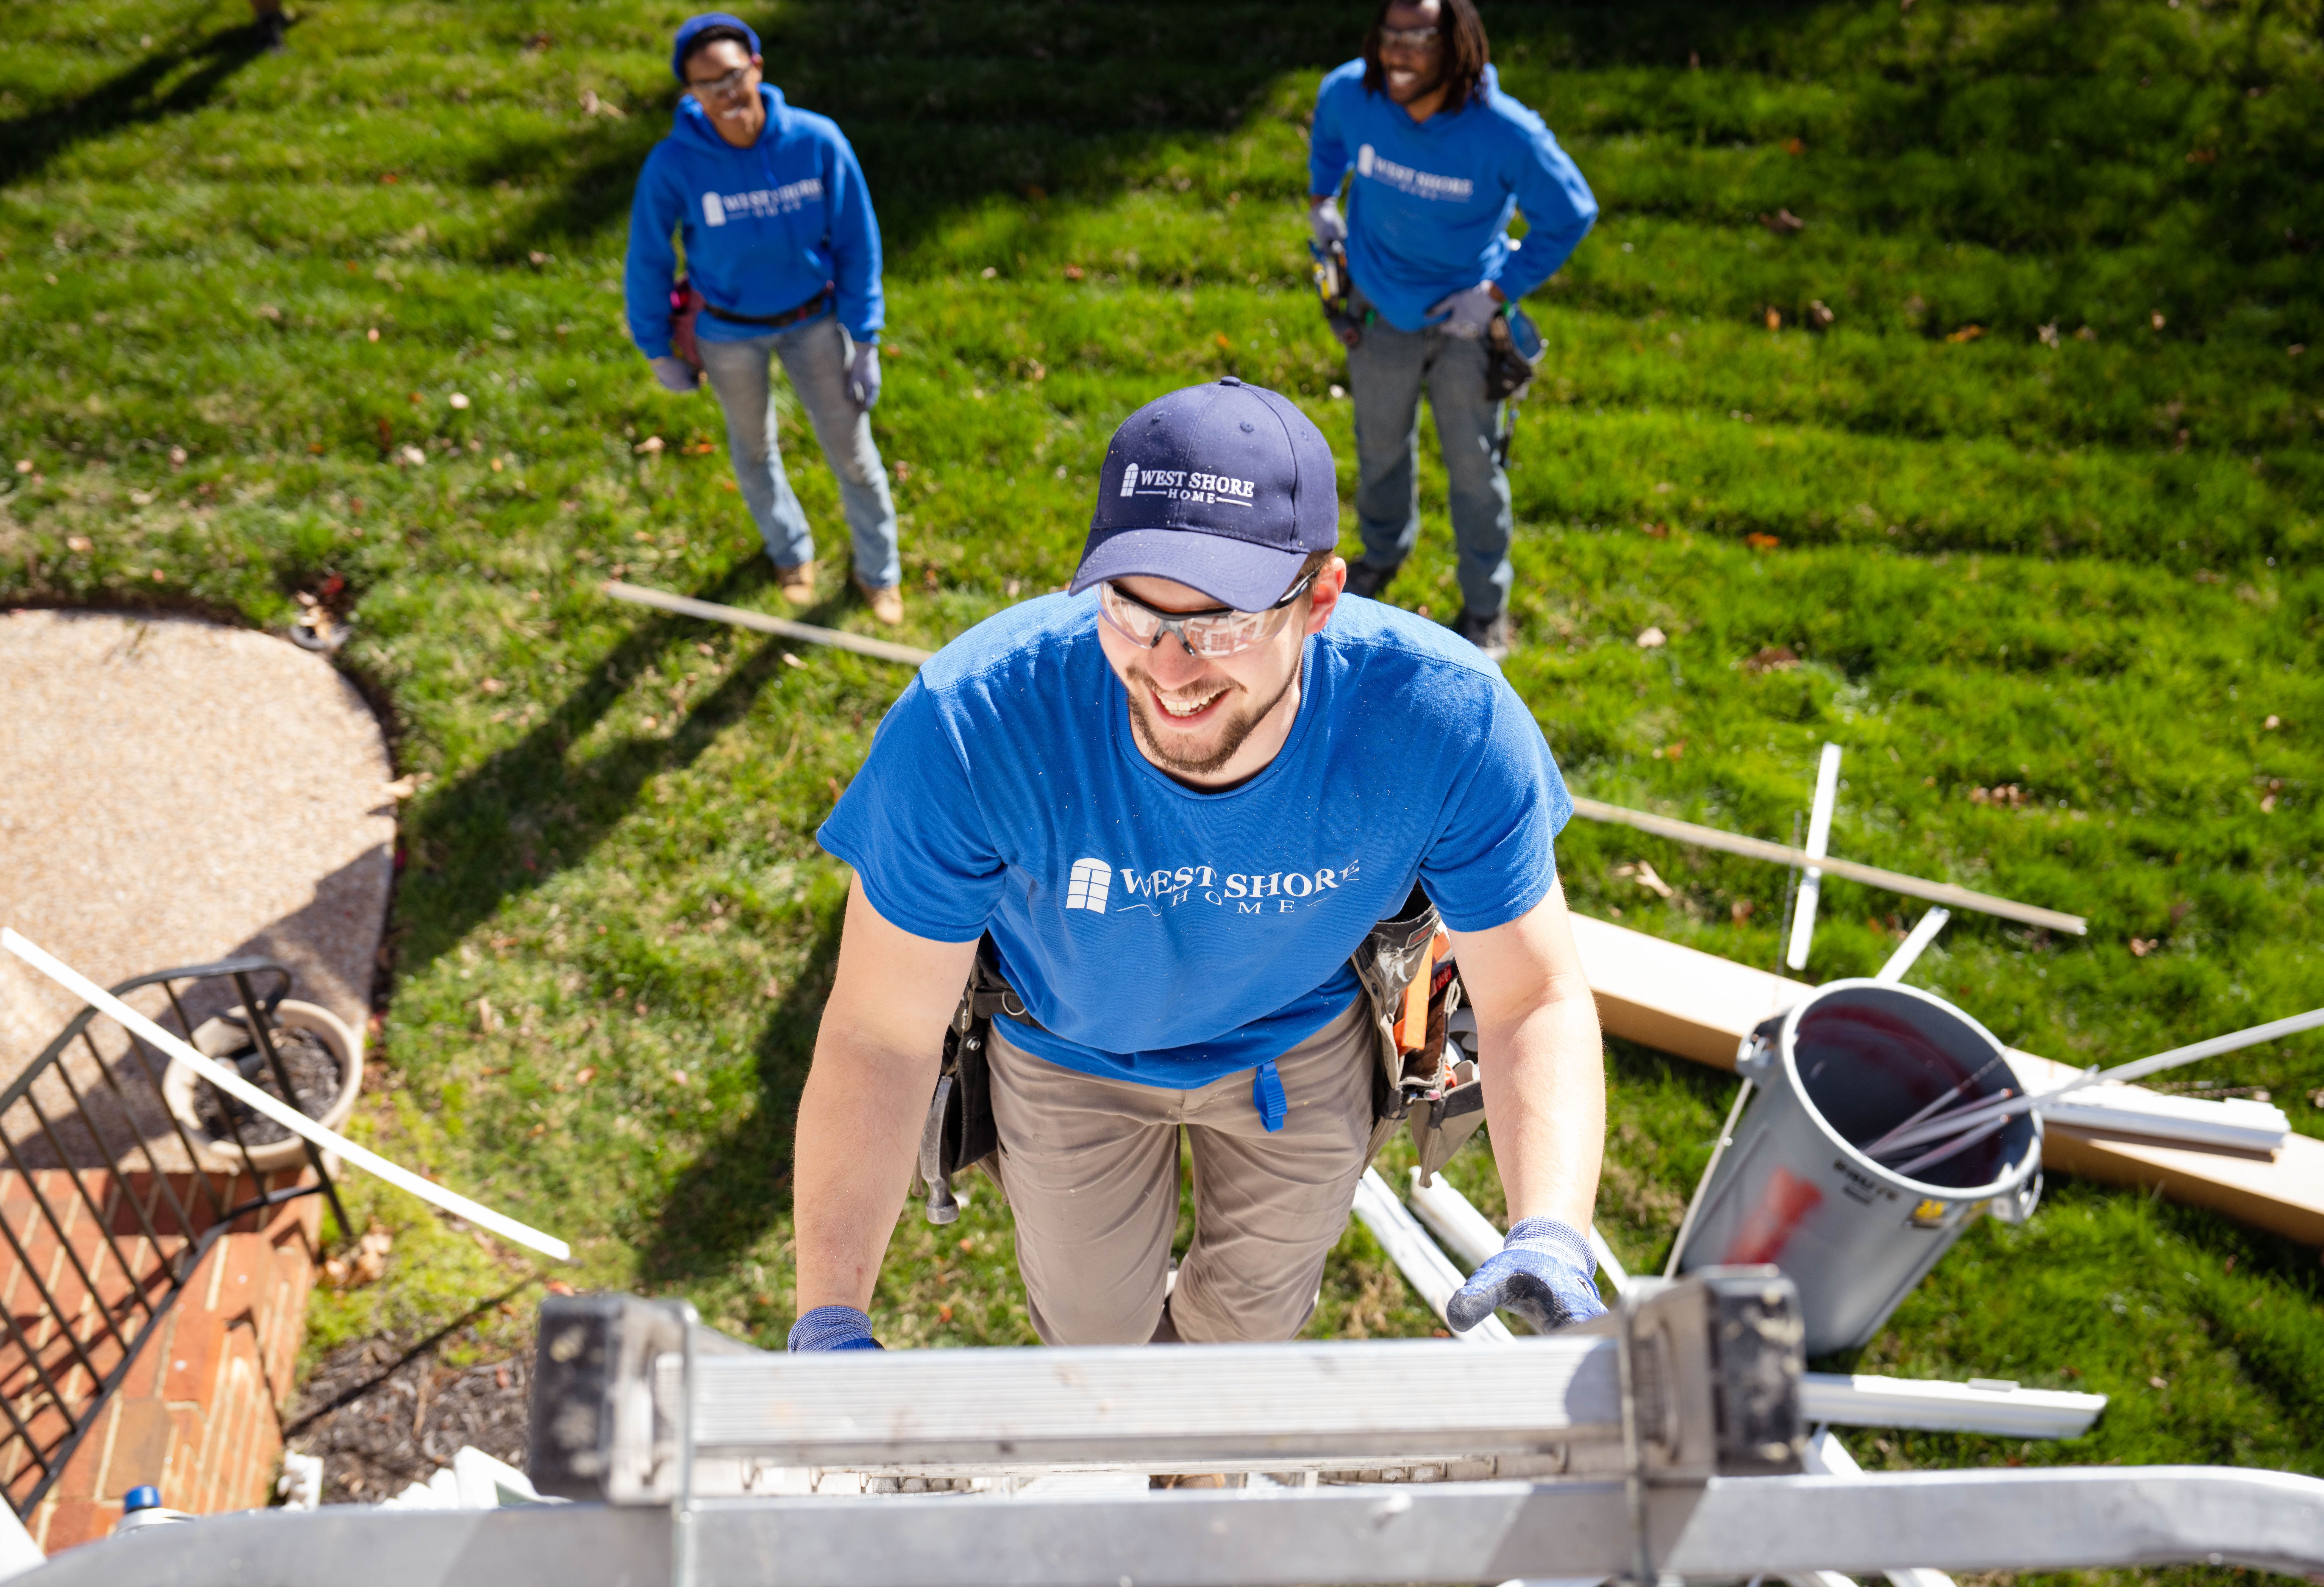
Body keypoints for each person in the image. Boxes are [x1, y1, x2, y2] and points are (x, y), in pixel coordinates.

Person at [786, 376, 1607, 1353]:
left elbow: (1532, 998)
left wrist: (1552, 1229)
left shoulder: (1445, 725)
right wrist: (830, 1314)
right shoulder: (975, 726)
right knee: (1094, 1343)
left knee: (1241, 1335)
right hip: (1067, 1050)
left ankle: (1201, 1466)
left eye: (1220, 626)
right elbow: (880, 1032)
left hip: (1300, 1044)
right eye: (1134, 615)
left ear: (1321, 599)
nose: (1171, 671)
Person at [1307, 0, 1597, 661]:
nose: (1398, 52)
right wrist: (1322, 199)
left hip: (1466, 331)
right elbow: (1328, 141)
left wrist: (1495, 294)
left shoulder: (1505, 132)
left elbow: (1571, 212)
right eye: (1389, 34)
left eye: (1419, 37)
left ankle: (1485, 605)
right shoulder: (1351, 95)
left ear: (1458, 43)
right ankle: (1381, 557)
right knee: (1378, 447)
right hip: (1379, 314)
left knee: (1474, 470)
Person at [625, 13, 903, 623]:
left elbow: (859, 241)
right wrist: (656, 347)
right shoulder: (674, 164)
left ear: (755, 66)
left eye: (731, 75)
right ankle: (789, 552)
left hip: (814, 322)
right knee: (753, 450)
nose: (724, 95)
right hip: (726, 332)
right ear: (690, 94)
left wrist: (864, 338)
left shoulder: (816, 141)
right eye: (705, 85)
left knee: (852, 453)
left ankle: (878, 572)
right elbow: (648, 256)